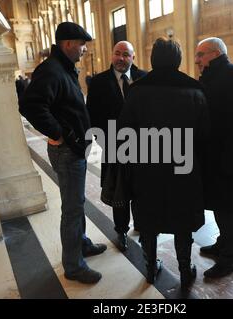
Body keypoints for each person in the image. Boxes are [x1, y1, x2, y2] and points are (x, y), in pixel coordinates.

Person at [118, 38, 210, 289]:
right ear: (179, 61)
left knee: (148, 220)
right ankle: (184, 269)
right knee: (183, 220)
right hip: (184, 168)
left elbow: (125, 134)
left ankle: (149, 268)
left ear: (152, 60)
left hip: (147, 169)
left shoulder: (136, 91)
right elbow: (204, 136)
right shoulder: (194, 90)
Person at [19, 22, 107, 284]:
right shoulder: (51, 70)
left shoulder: (63, 68)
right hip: (67, 151)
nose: (84, 50)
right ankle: (74, 265)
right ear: (67, 43)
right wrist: (59, 133)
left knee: (76, 202)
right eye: (81, 45)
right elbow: (31, 106)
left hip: (74, 147)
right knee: (71, 208)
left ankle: (81, 244)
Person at [195, 37, 233, 279]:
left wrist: (230, 159)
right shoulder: (209, 77)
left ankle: (230, 259)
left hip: (230, 158)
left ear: (216, 53)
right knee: (220, 205)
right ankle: (222, 244)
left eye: (201, 54)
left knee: (231, 208)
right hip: (213, 157)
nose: (197, 60)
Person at [87, 41, 147, 252]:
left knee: (141, 189)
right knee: (120, 192)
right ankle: (121, 230)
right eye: (117, 54)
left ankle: (141, 224)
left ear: (133, 57)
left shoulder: (144, 77)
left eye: (126, 55)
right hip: (114, 147)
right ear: (112, 55)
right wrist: (105, 142)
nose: (121, 58)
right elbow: (93, 116)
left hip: (142, 147)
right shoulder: (98, 82)